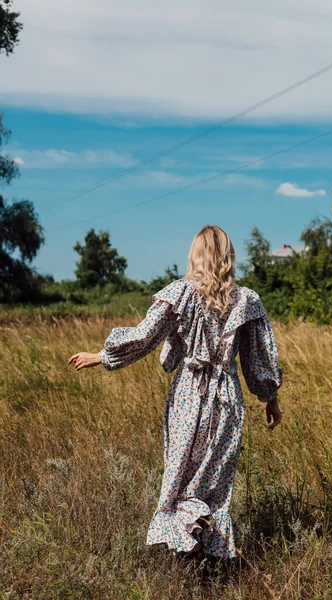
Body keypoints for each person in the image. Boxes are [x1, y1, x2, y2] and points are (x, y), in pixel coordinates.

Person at [68, 225, 283, 559]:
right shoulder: (247, 300)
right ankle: (204, 559)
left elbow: (144, 336)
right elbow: (260, 359)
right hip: (227, 400)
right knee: (212, 482)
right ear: (228, 256)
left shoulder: (180, 293)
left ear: (194, 254)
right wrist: (271, 398)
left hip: (188, 397)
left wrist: (102, 356)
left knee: (180, 477)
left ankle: (186, 557)